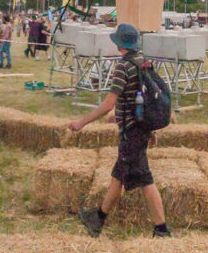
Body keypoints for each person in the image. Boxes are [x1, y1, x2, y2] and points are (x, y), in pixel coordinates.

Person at [68, 22, 170, 239]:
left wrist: (82, 122)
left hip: (131, 132)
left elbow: (108, 104)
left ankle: (161, 230)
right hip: (139, 128)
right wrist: (149, 131)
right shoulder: (143, 61)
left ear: (119, 43)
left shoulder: (123, 67)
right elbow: (144, 99)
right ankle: (98, 218)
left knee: (144, 179)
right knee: (118, 176)